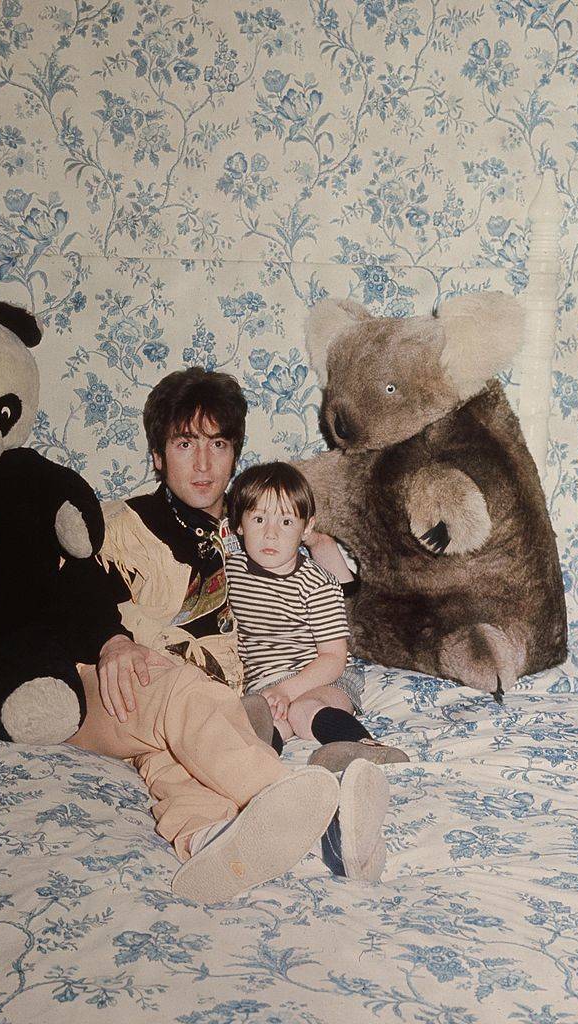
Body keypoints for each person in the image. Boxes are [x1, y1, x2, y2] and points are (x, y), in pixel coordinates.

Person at [60, 368, 391, 900]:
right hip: (110, 688)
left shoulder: (251, 531)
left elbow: (315, 603)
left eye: (218, 444)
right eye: (185, 443)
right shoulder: (119, 523)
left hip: (191, 711)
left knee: (183, 758)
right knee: (179, 687)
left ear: (235, 455)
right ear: (157, 455)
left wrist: (337, 568)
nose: (203, 463)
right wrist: (111, 641)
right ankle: (318, 813)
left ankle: (212, 840)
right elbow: (64, 586)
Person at [225, 461, 409, 774]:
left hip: (322, 676)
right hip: (264, 683)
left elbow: (333, 658)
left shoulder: (318, 583)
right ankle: (256, 769)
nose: (270, 534)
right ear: (239, 524)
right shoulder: (231, 572)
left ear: (306, 528)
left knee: (302, 710)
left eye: (285, 521)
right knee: (267, 722)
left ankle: (366, 749)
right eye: (258, 519)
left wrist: (288, 690)